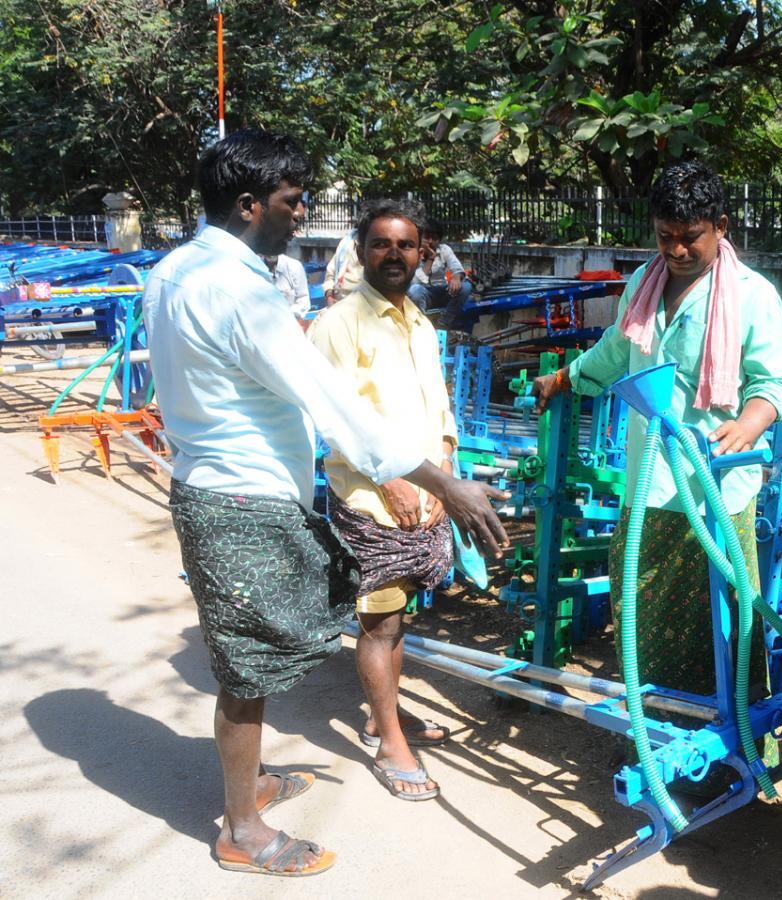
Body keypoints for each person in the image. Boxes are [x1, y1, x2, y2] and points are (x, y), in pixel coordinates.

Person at [143, 130, 508, 877]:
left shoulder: (173, 269)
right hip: (240, 500)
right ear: (249, 204)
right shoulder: (244, 292)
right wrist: (445, 485)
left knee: (261, 658)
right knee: (248, 671)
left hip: (210, 485)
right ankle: (241, 830)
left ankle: (249, 784)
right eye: (289, 200)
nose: (299, 213)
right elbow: (333, 404)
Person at [533, 161, 782, 712]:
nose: (675, 251)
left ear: (721, 226)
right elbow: (617, 349)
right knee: (641, 614)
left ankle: (730, 746)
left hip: (716, 491)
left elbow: (772, 383)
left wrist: (750, 422)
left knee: (724, 622)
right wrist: (564, 377)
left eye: (689, 238)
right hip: (648, 485)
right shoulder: (641, 285)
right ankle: (651, 733)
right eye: (665, 237)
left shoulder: (754, 295)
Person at [308, 199, 457, 802]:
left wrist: (444, 470)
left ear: (422, 252)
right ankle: (393, 744)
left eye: (406, 245)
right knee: (379, 624)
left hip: (424, 501)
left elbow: (438, 404)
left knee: (401, 619)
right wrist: (393, 481)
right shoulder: (339, 324)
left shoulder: (419, 322)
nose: (394, 255)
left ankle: (381, 714)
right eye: (381, 244)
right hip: (374, 502)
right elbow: (335, 417)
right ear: (362, 250)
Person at [407, 220, 471, 325]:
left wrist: (456, 277)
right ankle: (421, 324)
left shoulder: (444, 250)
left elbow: (456, 267)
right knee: (414, 290)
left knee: (466, 287)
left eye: (435, 239)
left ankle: (444, 322)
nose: (430, 242)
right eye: (426, 238)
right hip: (422, 295)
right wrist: (430, 258)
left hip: (442, 292)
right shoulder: (412, 253)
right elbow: (414, 283)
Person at [262, 252, 311, 320]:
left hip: (290, 320)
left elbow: (303, 299)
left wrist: (286, 316)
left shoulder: (294, 266)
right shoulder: (254, 268)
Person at [322, 228, 364, 305]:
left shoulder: (376, 250)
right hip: (338, 303)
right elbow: (330, 275)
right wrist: (329, 296)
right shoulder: (346, 243)